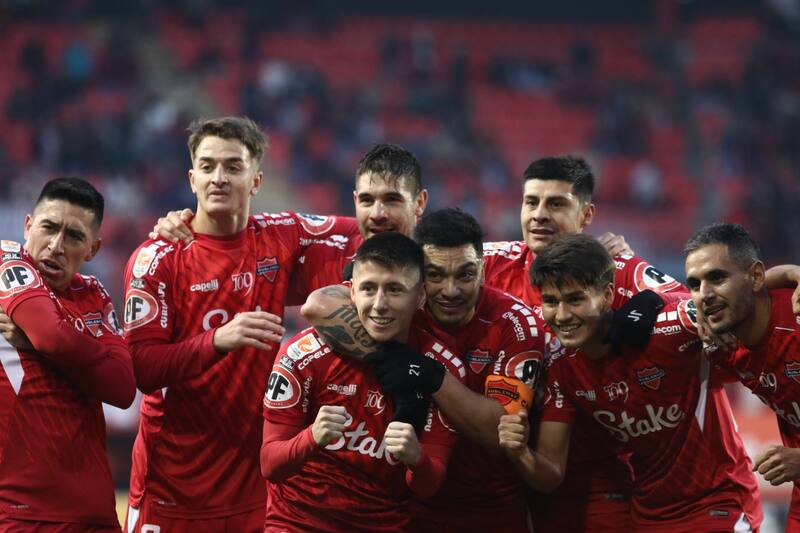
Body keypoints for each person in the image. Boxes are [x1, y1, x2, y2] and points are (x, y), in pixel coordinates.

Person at [122, 116, 346, 533]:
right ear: (191, 178)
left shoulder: (282, 237)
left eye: (233, 167)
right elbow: (140, 369)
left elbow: (374, 234)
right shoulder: (158, 257)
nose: (218, 178)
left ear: (256, 181)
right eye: (207, 167)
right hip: (172, 489)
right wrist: (217, 341)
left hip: (256, 494)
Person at [301, 208, 549, 531]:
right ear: (418, 279)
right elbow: (316, 306)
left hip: (490, 509)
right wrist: (386, 356)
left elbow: (499, 433)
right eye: (435, 275)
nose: (450, 290)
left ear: (483, 271)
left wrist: (428, 374)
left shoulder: (515, 324)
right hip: (408, 507)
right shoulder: (401, 303)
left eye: (464, 274)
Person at [499, 233, 762, 531]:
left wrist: (789, 274)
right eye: (551, 301)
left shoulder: (664, 328)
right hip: (647, 516)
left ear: (608, 296)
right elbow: (549, 474)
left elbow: (723, 302)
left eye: (575, 299)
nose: (562, 315)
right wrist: (519, 451)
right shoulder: (561, 368)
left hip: (717, 504)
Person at [482, 155, 684, 531]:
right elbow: (417, 268)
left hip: (597, 482)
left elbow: (690, 303)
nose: (540, 215)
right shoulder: (489, 265)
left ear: (587, 215)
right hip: (502, 472)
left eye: (556, 203)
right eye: (531, 202)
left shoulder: (615, 267)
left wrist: (645, 302)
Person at [260, 232, 460, 532]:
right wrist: (312, 437)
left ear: (420, 297)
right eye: (369, 289)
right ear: (351, 292)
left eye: (394, 290)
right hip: (298, 522)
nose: (379, 305)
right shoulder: (303, 355)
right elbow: (270, 464)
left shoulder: (438, 370)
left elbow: (428, 486)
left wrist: (416, 459)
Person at [0, 177, 135, 532]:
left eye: (74, 236)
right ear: (28, 226)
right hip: (22, 512)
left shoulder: (94, 294)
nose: (56, 246)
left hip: (95, 513)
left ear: (93, 249)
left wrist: (48, 343)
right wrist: (62, 344)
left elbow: (122, 387)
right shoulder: (9, 264)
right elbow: (51, 337)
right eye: (48, 228)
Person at [684, 223, 800, 532]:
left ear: (757, 276)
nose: (704, 294)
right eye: (695, 284)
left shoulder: (795, 317)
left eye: (717, 277)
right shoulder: (723, 343)